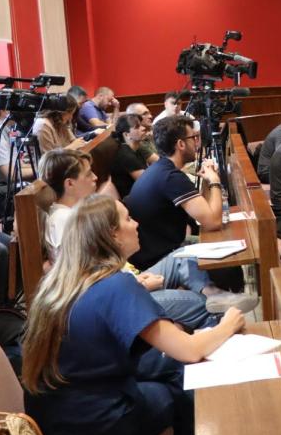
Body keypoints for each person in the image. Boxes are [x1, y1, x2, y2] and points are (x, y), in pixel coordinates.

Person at [22, 194, 246, 435]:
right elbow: (189, 350)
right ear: (112, 234)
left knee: (168, 368)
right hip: (87, 426)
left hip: (53, 418)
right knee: (177, 385)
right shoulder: (115, 284)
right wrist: (228, 323)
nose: (136, 223)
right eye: (128, 218)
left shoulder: (60, 282)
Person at [41, 149, 224, 328]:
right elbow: (90, 281)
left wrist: (135, 278)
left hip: (127, 280)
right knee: (200, 304)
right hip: (120, 298)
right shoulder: (66, 221)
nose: (95, 177)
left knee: (184, 256)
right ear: (70, 184)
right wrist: (139, 285)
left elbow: (103, 263)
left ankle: (214, 294)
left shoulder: (74, 213)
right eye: (88, 174)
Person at [123, 115, 259, 312]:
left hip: (159, 248)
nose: (198, 142)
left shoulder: (162, 169)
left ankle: (228, 299)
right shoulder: (170, 177)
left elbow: (204, 208)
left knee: (226, 247)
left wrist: (208, 181)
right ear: (180, 144)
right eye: (193, 137)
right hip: (156, 259)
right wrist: (214, 180)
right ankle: (223, 303)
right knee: (225, 259)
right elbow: (212, 221)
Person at [111, 114, 150, 199]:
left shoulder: (136, 148)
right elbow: (149, 184)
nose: (143, 128)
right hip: (135, 201)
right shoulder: (125, 155)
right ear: (126, 134)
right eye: (137, 127)